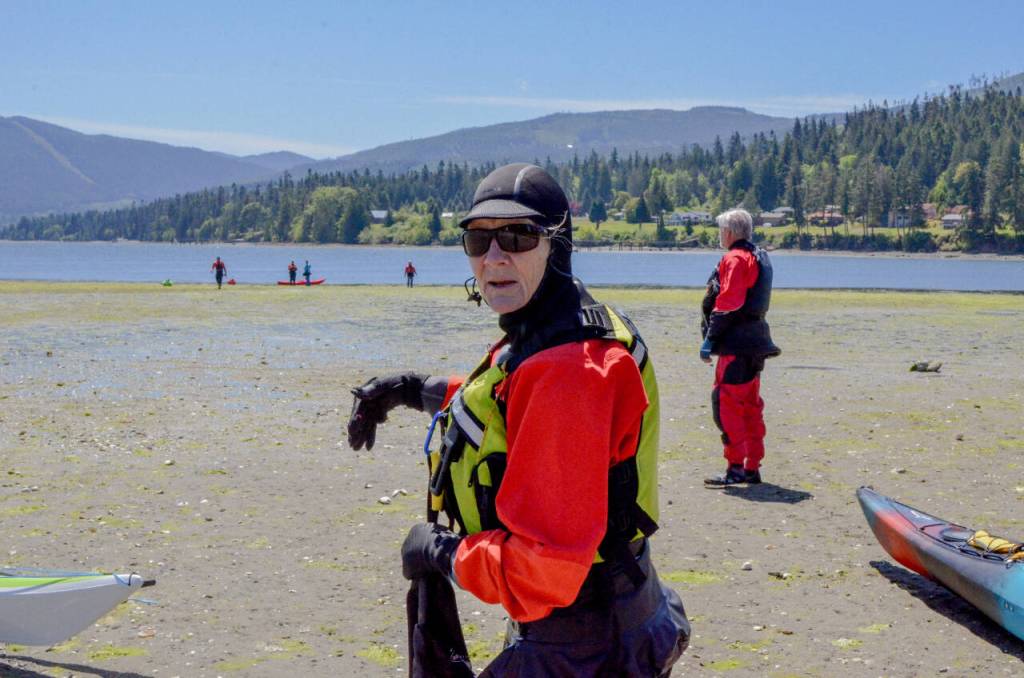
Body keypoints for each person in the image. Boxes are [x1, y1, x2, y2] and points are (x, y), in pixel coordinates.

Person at [347, 163, 689, 676]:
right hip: (624, 609)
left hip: (585, 646)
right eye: (478, 239)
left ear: (558, 246)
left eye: (518, 236)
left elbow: (543, 570)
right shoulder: (569, 321)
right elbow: (509, 405)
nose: (495, 256)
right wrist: (414, 390)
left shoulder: (568, 369)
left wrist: (441, 553)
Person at [700, 208, 781, 487]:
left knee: (727, 404)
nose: (720, 235)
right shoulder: (759, 257)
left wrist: (710, 339)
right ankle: (751, 466)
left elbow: (729, 302)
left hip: (736, 344)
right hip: (756, 344)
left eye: (721, 230)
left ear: (730, 232)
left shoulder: (736, 259)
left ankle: (735, 468)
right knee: (750, 404)